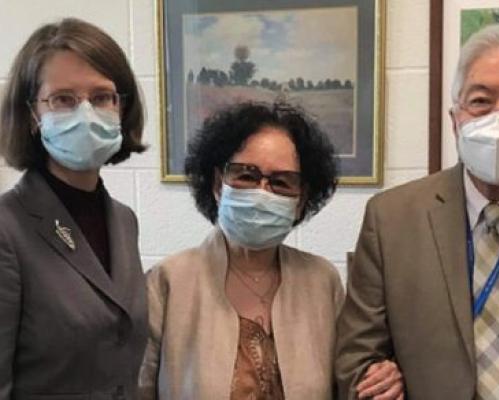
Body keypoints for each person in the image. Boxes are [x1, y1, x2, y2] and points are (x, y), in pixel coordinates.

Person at [336, 23, 499, 399]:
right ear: (455, 119)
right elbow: (356, 357)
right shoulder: (391, 219)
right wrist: (374, 381)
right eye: (480, 101)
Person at [137, 102, 403, 399]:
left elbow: (351, 376)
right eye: (246, 176)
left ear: (301, 199)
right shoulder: (169, 282)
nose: (262, 192)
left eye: (281, 182)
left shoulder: (322, 281)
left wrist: (381, 375)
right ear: (217, 184)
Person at [0, 18, 148, 398]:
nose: (87, 113)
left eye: (102, 97)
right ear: (33, 114)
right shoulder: (7, 228)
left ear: (121, 106)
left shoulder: (123, 220)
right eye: (63, 99)